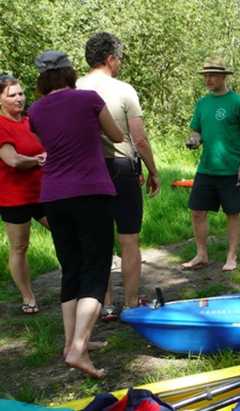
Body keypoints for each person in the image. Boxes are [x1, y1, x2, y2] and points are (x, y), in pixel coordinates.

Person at [28, 50, 125, 379]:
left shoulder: (35, 110)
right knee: (96, 268)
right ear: (70, 73)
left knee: (71, 268)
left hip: (54, 196)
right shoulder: (88, 99)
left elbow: (51, 141)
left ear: (41, 80)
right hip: (91, 191)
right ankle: (78, 347)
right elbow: (117, 136)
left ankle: (71, 341)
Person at [77, 32, 161, 320]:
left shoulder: (73, 88)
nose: (121, 63)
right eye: (120, 58)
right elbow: (139, 139)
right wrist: (153, 170)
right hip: (122, 168)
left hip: (87, 172)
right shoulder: (123, 90)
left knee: (98, 239)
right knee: (128, 239)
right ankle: (131, 303)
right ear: (111, 59)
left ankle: (108, 305)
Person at [182, 57, 240, 272]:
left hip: (232, 169)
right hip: (207, 168)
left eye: (212, 75)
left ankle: (231, 257)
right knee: (197, 211)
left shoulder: (238, 103)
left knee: (232, 213)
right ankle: (201, 254)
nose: (208, 79)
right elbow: (196, 130)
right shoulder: (203, 103)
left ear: (224, 77)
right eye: (206, 75)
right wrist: (194, 139)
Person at [0, 74, 47, 315]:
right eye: (12, 95)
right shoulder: (1, 125)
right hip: (14, 196)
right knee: (19, 246)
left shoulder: (31, 120)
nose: (19, 98)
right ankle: (28, 297)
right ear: (0, 100)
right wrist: (37, 161)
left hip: (43, 192)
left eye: (21, 93)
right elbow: (12, 160)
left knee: (65, 229)